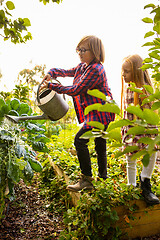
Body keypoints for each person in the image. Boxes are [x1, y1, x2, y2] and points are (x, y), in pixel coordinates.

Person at [40, 35, 115, 192]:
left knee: (80, 141)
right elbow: (67, 72)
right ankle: (103, 178)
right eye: (78, 50)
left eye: (83, 50)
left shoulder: (96, 69)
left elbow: (76, 89)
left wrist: (53, 87)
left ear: (95, 51)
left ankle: (87, 179)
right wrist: (52, 72)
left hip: (101, 112)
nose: (80, 53)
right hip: (94, 112)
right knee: (100, 144)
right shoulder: (83, 66)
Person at [121, 54, 160, 205]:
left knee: (151, 153)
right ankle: (131, 186)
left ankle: (145, 184)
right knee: (130, 158)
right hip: (130, 129)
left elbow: (149, 113)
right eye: (122, 71)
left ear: (137, 71)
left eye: (127, 71)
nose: (123, 74)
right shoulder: (128, 88)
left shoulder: (145, 90)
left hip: (146, 129)